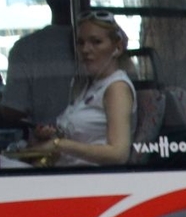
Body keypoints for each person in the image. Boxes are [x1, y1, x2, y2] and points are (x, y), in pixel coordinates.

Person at [33, 13, 134, 167]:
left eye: (96, 42)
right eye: (81, 43)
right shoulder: (86, 85)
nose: (85, 49)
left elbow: (119, 154)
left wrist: (59, 144)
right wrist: (50, 135)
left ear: (117, 48)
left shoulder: (117, 88)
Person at [0, 0, 86, 130]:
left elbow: (13, 111)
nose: (87, 50)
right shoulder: (107, 44)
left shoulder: (25, 49)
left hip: (49, 147)